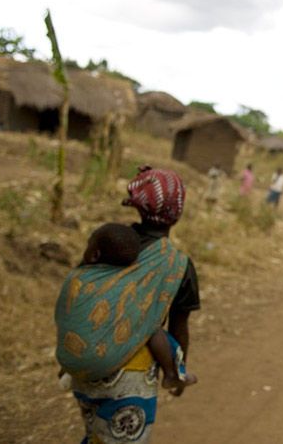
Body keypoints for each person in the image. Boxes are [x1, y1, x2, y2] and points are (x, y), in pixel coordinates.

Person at [55, 166, 200, 444]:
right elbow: (179, 327)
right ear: (178, 211)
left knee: (95, 434)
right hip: (130, 378)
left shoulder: (110, 241)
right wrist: (177, 372)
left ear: (139, 205)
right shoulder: (177, 265)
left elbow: (83, 295)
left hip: (85, 370)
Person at [59, 222, 196, 395]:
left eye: (88, 244)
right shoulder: (130, 285)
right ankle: (170, 373)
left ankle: (68, 367)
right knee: (152, 326)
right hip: (116, 362)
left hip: (76, 359)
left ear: (95, 255)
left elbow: (65, 316)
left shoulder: (79, 278)